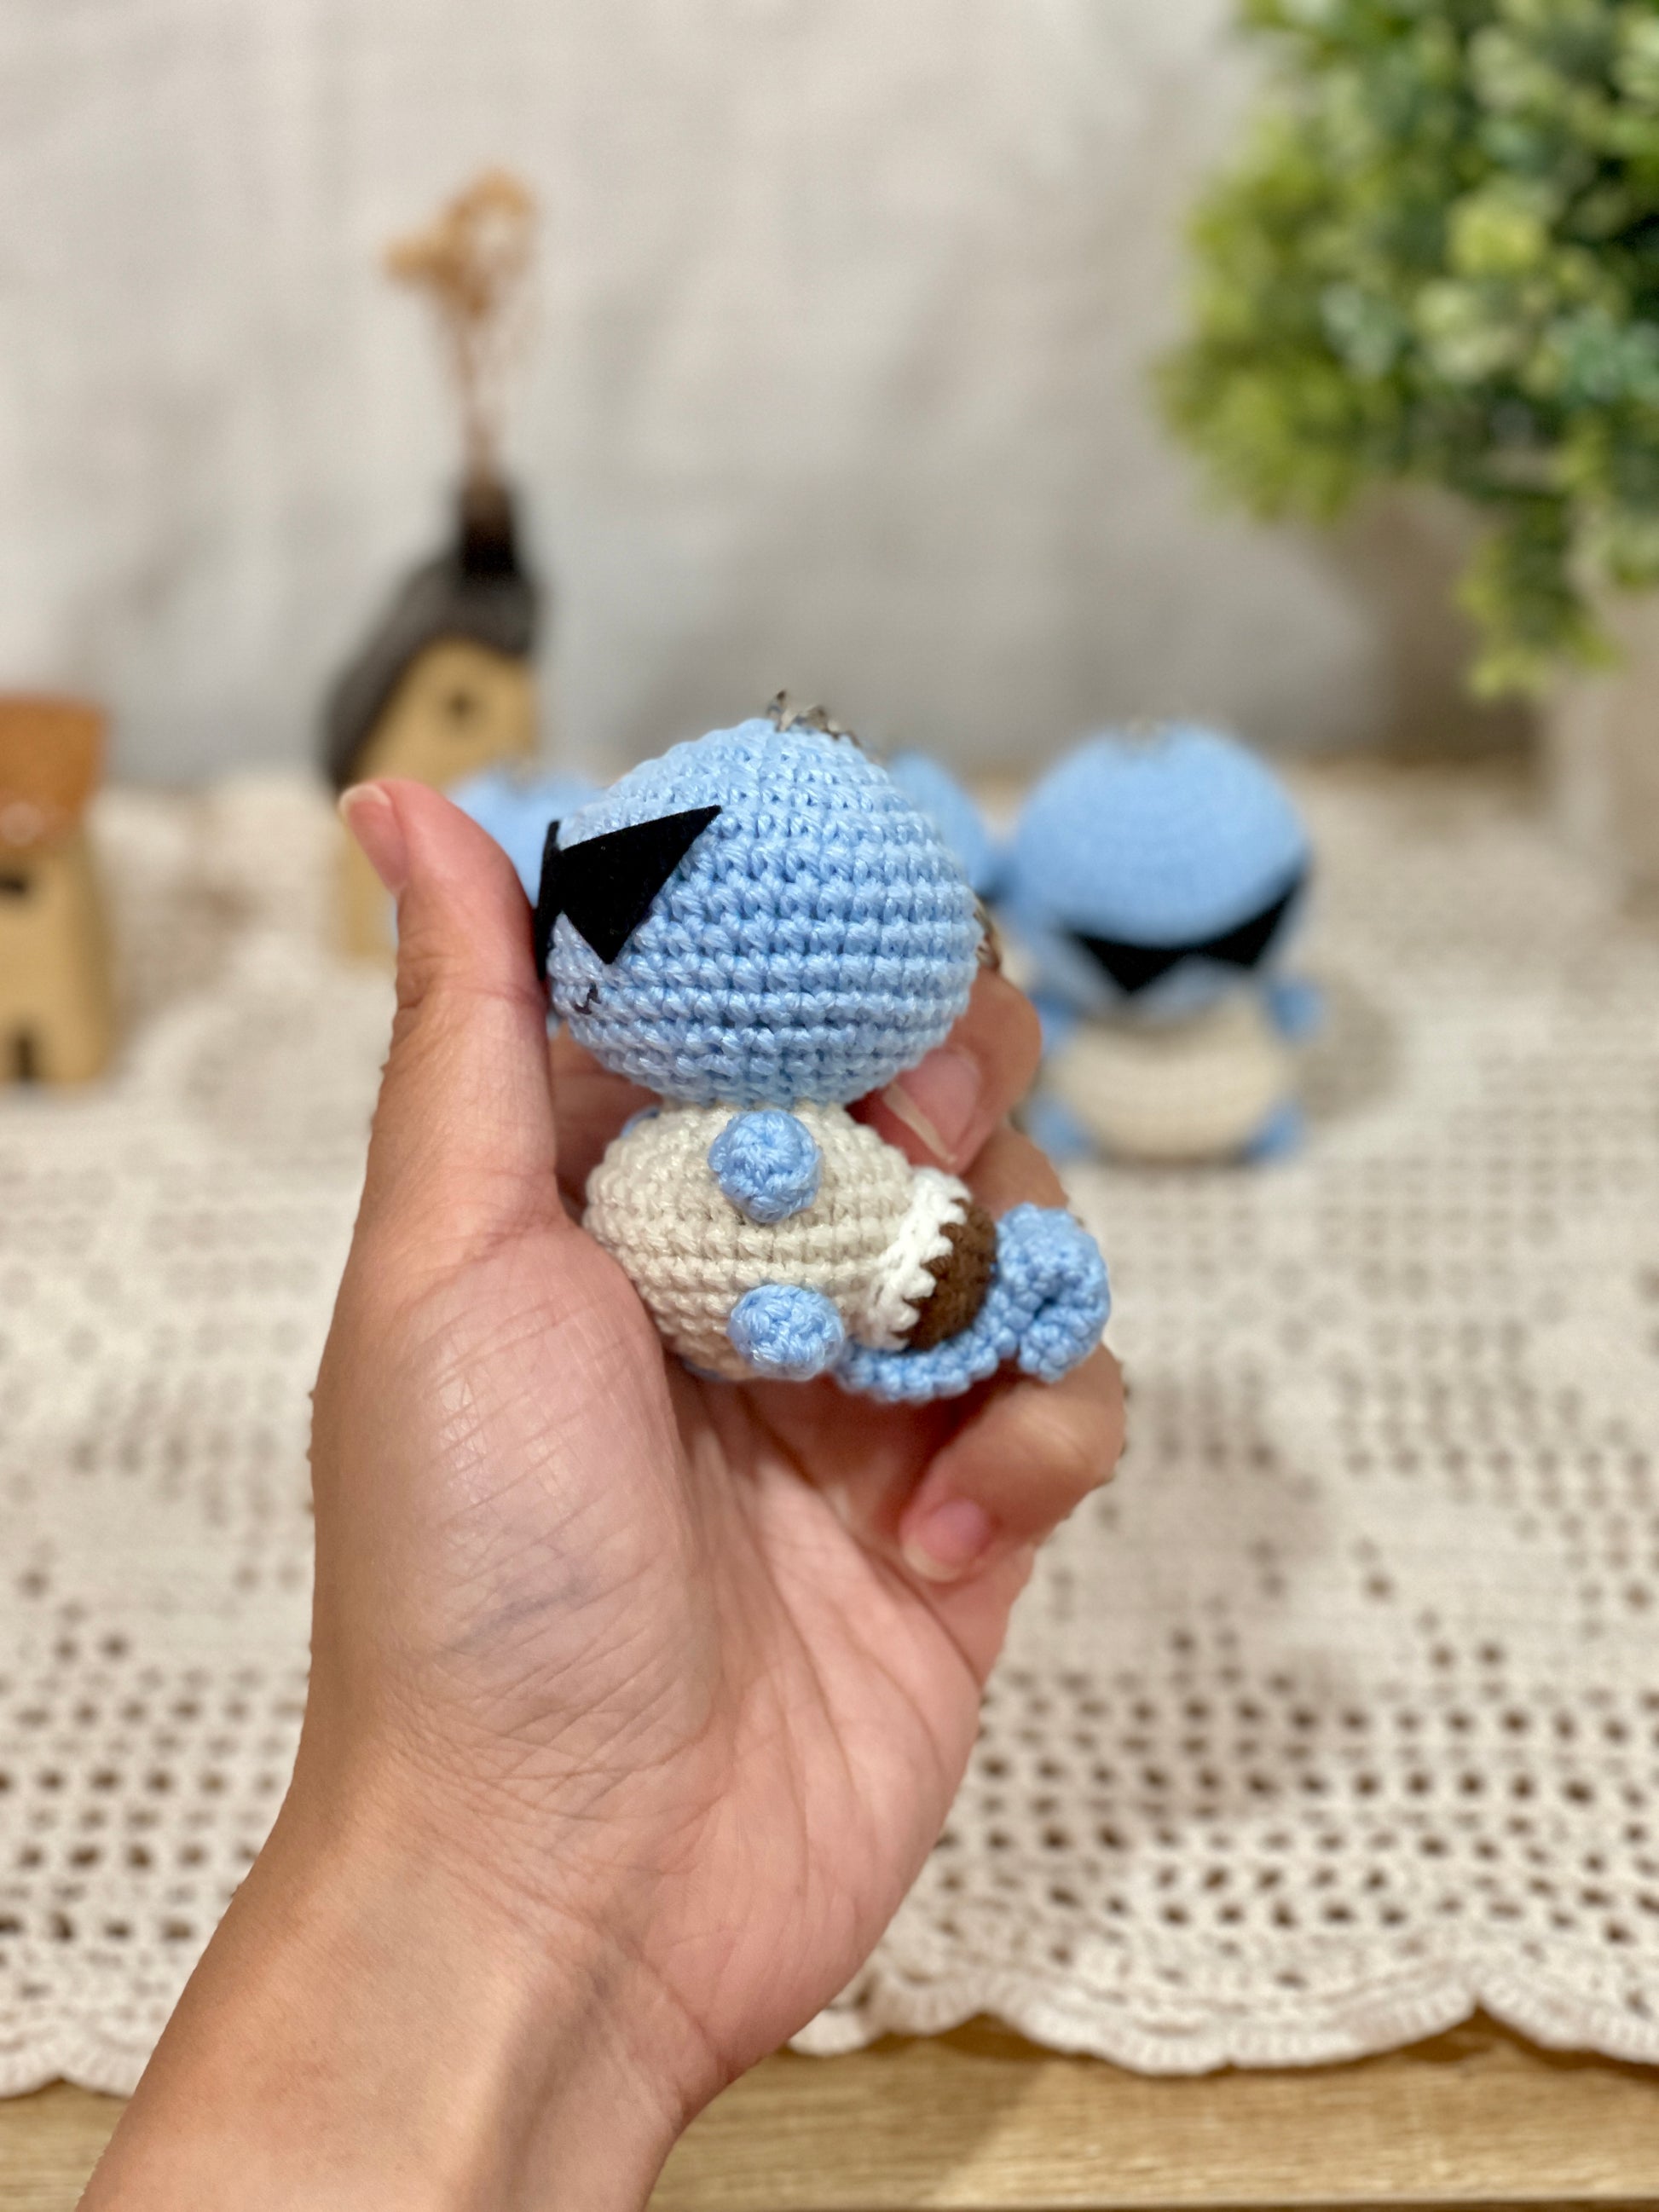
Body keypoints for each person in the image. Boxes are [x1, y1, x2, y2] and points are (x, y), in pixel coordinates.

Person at [82, 779, 1124, 2209]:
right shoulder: (655, 1162)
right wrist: (500, 1835)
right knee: (900, 1254)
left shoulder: (756, 1134)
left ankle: (967, 1294)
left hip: (835, 1265)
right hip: (776, 1275)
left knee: (926, 1254)